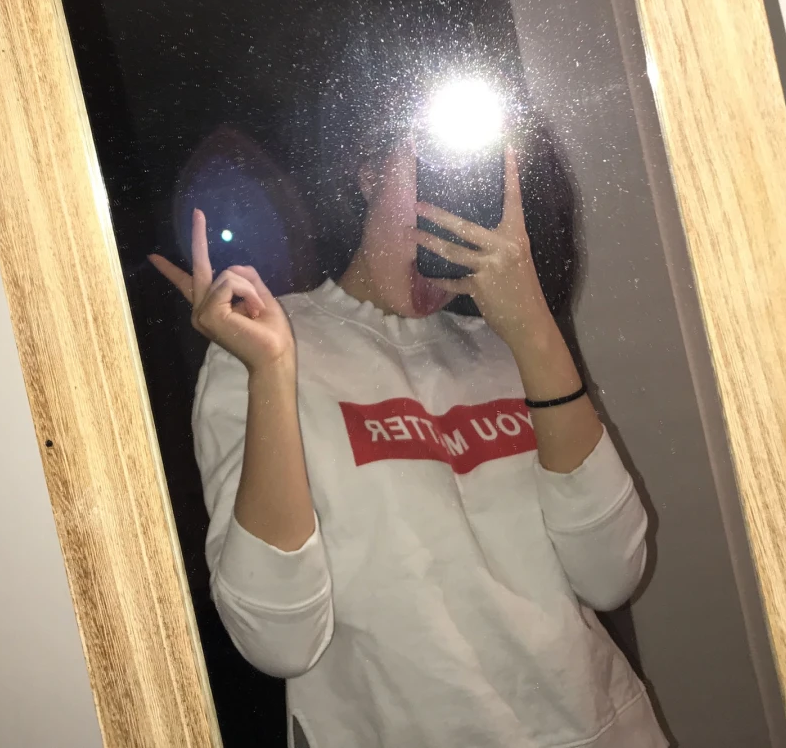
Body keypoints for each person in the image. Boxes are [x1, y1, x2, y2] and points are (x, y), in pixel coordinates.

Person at [149, 135, 668, 748]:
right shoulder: (266, 347)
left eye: (472, 194)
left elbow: (610, 575)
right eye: (433, 176)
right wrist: (271, 373)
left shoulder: (509, 345)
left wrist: (533, 332)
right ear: (369, 172)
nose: (448, 221)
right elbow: (280, 641)